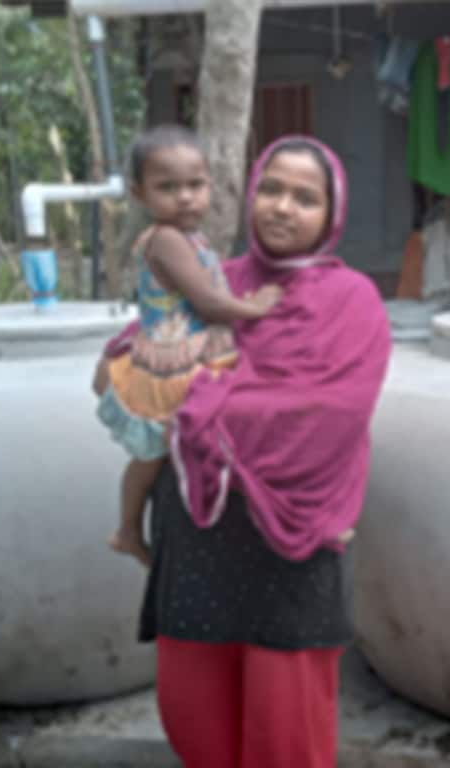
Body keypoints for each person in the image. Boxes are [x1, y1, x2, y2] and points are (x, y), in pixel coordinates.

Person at [139, 136, 392, 768]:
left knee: (286, 725)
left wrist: (203, 403)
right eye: (272, 189)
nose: (282, 208)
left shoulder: (353, 301)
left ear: (331, 215)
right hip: (202, 521)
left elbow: (329, 414)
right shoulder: (217, 281)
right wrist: (157, 375)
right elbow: (142, 356)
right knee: (194, 706)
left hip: (293, 530)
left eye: (305, 198)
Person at [92, 125, 282, 568]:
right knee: (151, 452)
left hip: (193, 349)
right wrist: (258, 307)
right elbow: (209, 302)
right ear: (140, 194)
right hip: (169, 364)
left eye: (195, 185)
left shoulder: (192, 238)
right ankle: (126, 528)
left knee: (166, 449)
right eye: (167, 187)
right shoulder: (166, 240)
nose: (185, 197)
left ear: (210, 185)